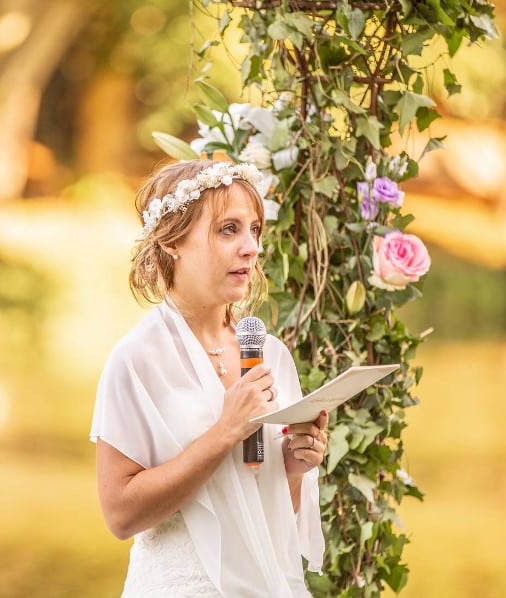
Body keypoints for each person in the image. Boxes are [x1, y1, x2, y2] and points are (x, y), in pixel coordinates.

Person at [90, 159, 328, 597]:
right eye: (228, 229)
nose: (251, 247)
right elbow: (120, 516)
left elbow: (277, 517)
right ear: (174, 241)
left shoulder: (270, 355)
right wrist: (224, 432)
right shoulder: (137, 360)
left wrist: (293, 470)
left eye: (254, 230)